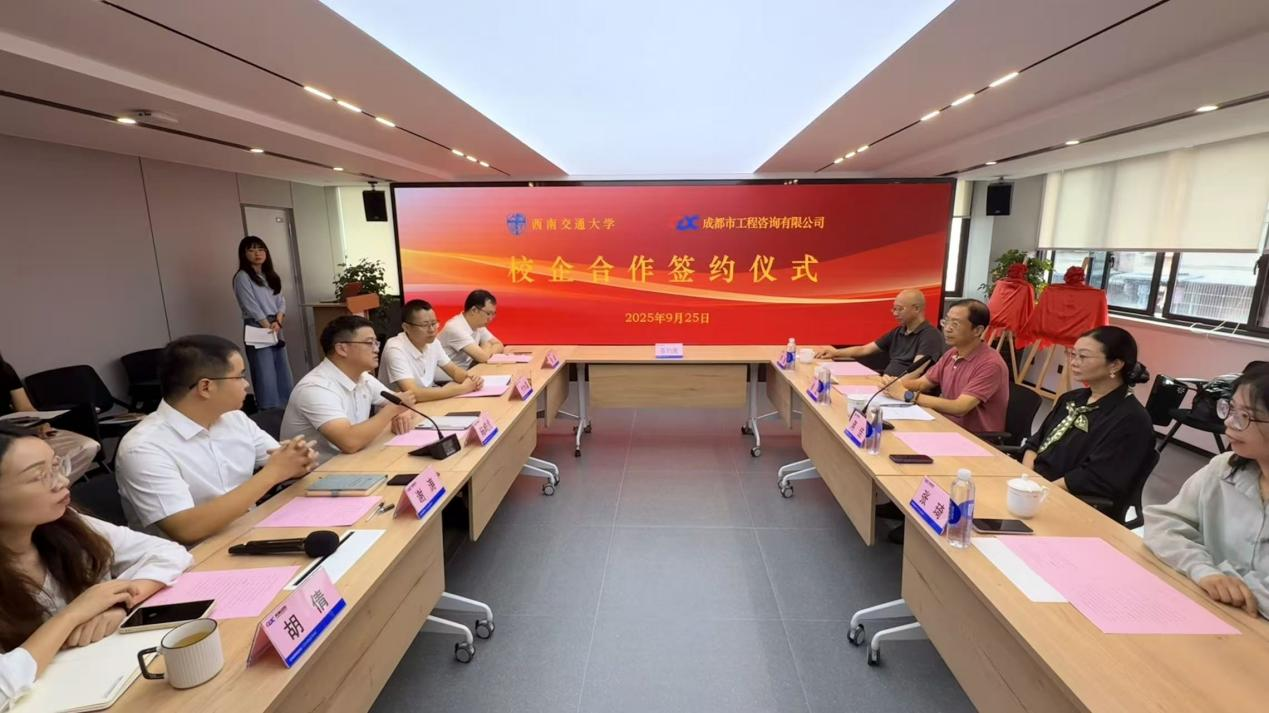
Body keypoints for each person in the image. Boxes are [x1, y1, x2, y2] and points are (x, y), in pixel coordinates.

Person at [0, 425, 193, 708]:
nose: (62, 481)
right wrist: (73, 615)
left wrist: (120, 603)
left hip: (105, 682)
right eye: (40, 476)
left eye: (56, 465)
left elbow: (168, 552)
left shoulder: (65, 524)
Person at [116, 336, 318, 544]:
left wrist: (299, 459)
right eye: (239, 377)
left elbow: (285, 462)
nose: (246, 384)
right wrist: (274, 472)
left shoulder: (234, 419)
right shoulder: (143, 447)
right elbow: (186, 529)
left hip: (249, 532)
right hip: (193, 555)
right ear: (206, 387)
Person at [1145, 366, 1269, 619]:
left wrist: (1231, 586)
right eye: (1230, 409)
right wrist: (1205, 572)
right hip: (1205, 610)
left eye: (1245, 416)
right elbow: (1164, 523)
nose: (1229, 422)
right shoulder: (1224, 468)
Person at [1020, 326, 1155, 502]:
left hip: (1069, 500)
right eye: (1072, 354)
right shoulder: (1071, 399)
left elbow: (1092, 477)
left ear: (1115, 365)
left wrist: (1039, 490)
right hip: (1031, 487)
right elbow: (1035, 443)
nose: (1074, 362)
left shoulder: (1132, 420)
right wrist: (1027, 479)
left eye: (1083, 356)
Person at [281, 316, 416, 463]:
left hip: (353, 460)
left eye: (376, 343)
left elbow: (402, 401)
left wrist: (403, 413)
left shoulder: (363, 377)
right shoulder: (315, 388)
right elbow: (349, 442)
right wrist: (392, 410)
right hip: (317, 472)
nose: (377, 349)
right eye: (369, 343)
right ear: (342, 349)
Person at [886, 298, 1009, 433]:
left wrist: (907, 395)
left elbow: (960, 407)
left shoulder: (990, 364)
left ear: (977, 330)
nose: (947, 329)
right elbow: (923, 383)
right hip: (943, 424)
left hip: (973, 437)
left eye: (955, 324)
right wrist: (891, 384)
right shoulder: (952, 353)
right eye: (946, 321)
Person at [0, 351, 100, 483]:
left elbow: (25, 408)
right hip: (5, 438)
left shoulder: (4, 370)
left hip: (19, 430)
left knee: (87, 446)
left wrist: (41, 423)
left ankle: (49, 487)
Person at [815, 289, 945, 376]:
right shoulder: (898, 332)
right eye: (894, 309)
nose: (895, 313)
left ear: (916, 309)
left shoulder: (930, 336)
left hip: (906, 394)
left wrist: (892, 386)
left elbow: (915, 372)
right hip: (886, 386)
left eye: (899, 309)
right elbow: (864, 350)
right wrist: (835, 352)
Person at [380, 299, 485, 401]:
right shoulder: (395, 348)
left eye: (434, 323)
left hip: (426, 402)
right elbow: (413, 394)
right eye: (425, 325)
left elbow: (454, 371)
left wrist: (471, 379)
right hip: (397, 409)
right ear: (406, 327)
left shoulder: (434, 343)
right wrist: (462, 389)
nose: (431, 330)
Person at [233, 236, 293, 410]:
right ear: (244, 254)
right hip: (257, 326)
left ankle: (286, 407)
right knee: (264, 370)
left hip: (275, 324)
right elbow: (250, 305)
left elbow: (281, 301)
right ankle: (269, 409)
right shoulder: (242, 277)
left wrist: (278, 322)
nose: (257, 254)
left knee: (282, 368)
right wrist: (268, 327)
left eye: (260, 249)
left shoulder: (271, 276)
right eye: (251, 250)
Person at [438, 289, 504, 373]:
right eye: (488, 313)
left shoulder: (478, 325)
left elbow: (499, 344)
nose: (491, 318)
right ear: (474, 310)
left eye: (493, 314)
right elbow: (483, 358)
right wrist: (487, 345)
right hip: (447, 377)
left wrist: (486, 350)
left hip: (466, 372)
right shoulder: (455, 327)